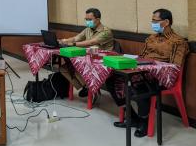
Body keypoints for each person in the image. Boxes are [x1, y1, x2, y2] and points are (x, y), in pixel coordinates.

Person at [108, 8, 189, 138]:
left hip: (161, 77)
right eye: (152, 20)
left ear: (166, 22)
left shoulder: (178, 42)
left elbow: (173, 68)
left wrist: (152, 68)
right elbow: (142, 56)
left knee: (138, 84)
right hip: (143, 70)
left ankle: (144, 121)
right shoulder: (150, 38)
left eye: (155, 21)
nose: (152, 23)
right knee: (113, 79)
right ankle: (132, 118)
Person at [58, 8, 114, 97]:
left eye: (89, 19)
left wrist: (72, 44)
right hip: (88, 58)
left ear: (98, 19)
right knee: (64, 68)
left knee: (76, 66)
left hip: (101, 62)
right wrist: (64, 41)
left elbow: (92, 42)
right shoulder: (88, 29)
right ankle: (86, 87)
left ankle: (89, 87)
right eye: (86, 19)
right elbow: (76, 38)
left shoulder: (106, 31)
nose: (87, 22)